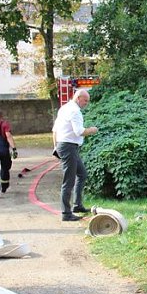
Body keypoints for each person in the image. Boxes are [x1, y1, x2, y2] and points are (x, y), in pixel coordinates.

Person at [52, 88, 99, 222]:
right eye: (85, 100)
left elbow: (55, 130)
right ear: (78, 98)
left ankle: (77, 205)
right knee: (69, 180)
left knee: (82, 174)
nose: (86, 103)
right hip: (68, 146)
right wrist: (93, 130)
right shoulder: (75, 111)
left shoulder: (64, 108)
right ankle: (66, 213)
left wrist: (55, 147)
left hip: (65, 145)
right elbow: (79, 131)